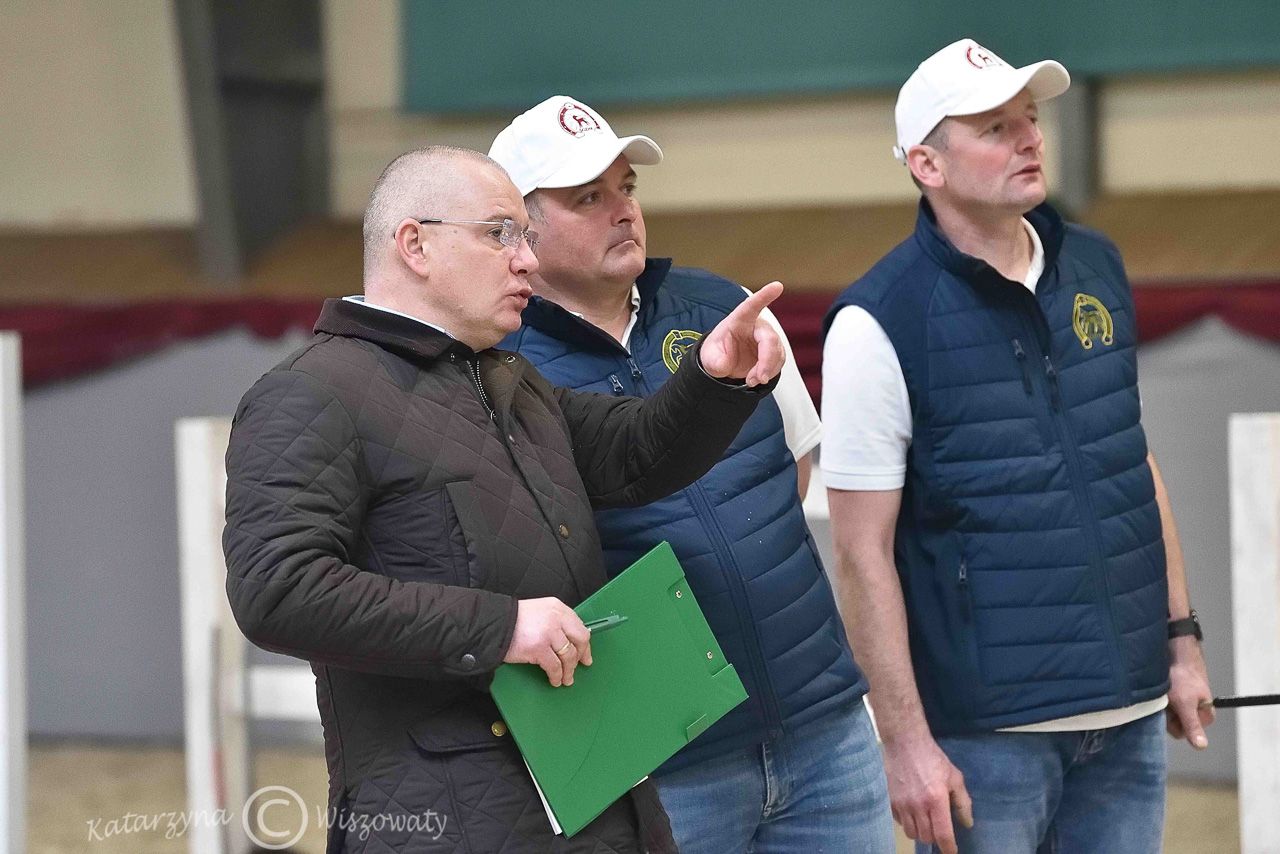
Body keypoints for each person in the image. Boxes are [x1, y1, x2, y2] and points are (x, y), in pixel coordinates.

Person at [222, 145, 789, 854]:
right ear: (415, 245)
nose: (527, 259)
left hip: (590, 789)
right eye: (500, 234)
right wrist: (501, 628)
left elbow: (633, 454)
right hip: (446, 819)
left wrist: (713, 379)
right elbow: (278, 589)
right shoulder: (311, 392)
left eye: (525, 236)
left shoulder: (506, 379)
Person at [821, 39, 1214, 854]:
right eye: (995, 128)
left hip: (1134, 713)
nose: (1030, 138)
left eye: (1029, 118)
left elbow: (1130, 462)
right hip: (987, 739)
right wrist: (904, 743)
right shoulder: (875, 323)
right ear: (926, 164)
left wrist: (1181, 643)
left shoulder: (1096, 265)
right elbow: (861, 555)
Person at [489, 97, 894, 854]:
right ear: (520, 229)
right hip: (661, 765)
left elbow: (795, 468)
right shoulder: (496, 371)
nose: (623, 210)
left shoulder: (723, 307)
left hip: (822, 728)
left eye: (626, 188)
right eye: (588, 197)